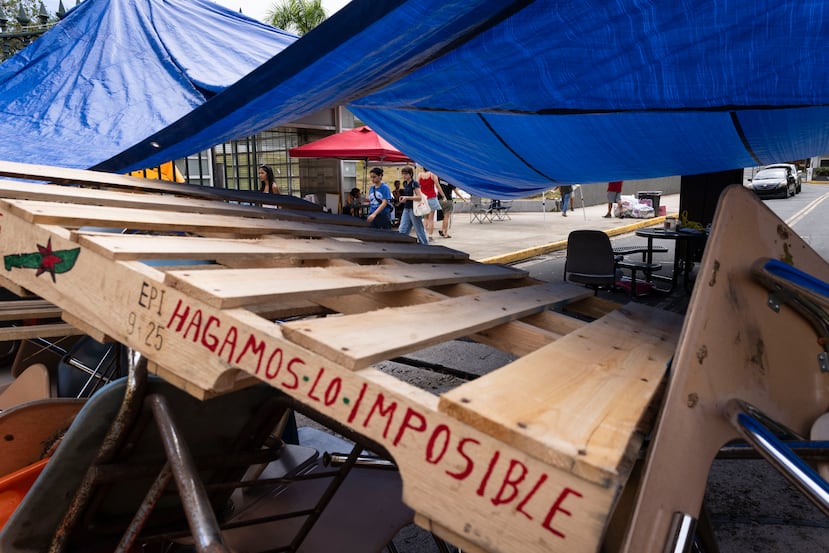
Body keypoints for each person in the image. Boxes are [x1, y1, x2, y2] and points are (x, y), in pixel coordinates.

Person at [397, 166, 429, 245]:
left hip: (414, 209)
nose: (404, 176)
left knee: (419, 229)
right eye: (403, 174)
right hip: (407, 208)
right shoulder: (405, 183)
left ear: (410, 174)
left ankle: (424, 244)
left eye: (406, 174)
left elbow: (419, 197)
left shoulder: (414, 183)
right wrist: (404, 199)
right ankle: (402, 243)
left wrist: (406, 197)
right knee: (402, 228)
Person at [417, 167, 445, 241]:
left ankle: (422, 236)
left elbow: (417, 186)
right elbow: (438, 186)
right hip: (431, 198)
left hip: (423, 199)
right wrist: (443, 196)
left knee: (425, 218)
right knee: (431, 219)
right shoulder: (433, 174)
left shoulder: (419, 175)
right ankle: (430, 236)